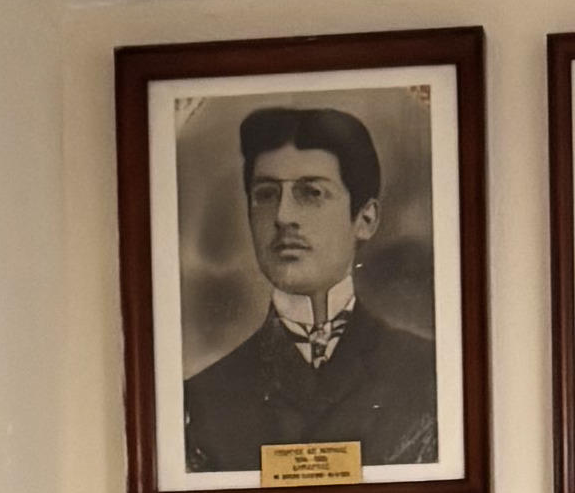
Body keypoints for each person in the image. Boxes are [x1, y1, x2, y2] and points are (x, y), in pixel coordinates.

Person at [179, 103, 444, 470]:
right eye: (266, 194)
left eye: (311, 192)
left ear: (365, 219)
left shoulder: (428, 375)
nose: (283, 216)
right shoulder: (202, 399)